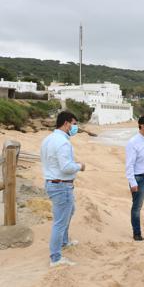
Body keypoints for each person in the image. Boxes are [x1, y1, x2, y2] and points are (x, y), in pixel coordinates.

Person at [41, 111, 85, 267]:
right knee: (60, 222)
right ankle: (56, 258)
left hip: (53, 183)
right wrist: (80, 166)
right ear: (66, 123)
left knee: (70, 211)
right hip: (61, 185)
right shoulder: (62, 142)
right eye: (74, 124)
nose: (75, 127)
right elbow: (66, 167)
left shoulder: (48, 139)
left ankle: (64, 242)